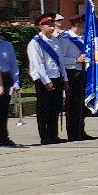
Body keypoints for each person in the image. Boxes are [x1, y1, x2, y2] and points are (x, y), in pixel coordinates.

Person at [28, 14, 66, 145]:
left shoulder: (55, 41)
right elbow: (38, 64)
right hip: (44, 80)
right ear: (41, 26)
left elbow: (60, 61)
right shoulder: (36, 42)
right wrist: (46, 80)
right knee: (44, 109)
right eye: (48, 25)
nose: (51, 27)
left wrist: (64, 77)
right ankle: (44, 136)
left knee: (55, 108)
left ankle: (53, 135)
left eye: (52, 25)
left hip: (57, 77)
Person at [56, 15, 90, 141]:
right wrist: (76, 60)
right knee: (73, 105)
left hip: (81, 73)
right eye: (83, 24)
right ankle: (73, 133)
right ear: (77, 24)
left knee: (81, 104)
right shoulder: (65, 38)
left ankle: (81, 130)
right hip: (72, 73)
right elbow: (61, 58)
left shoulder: (82, 38)